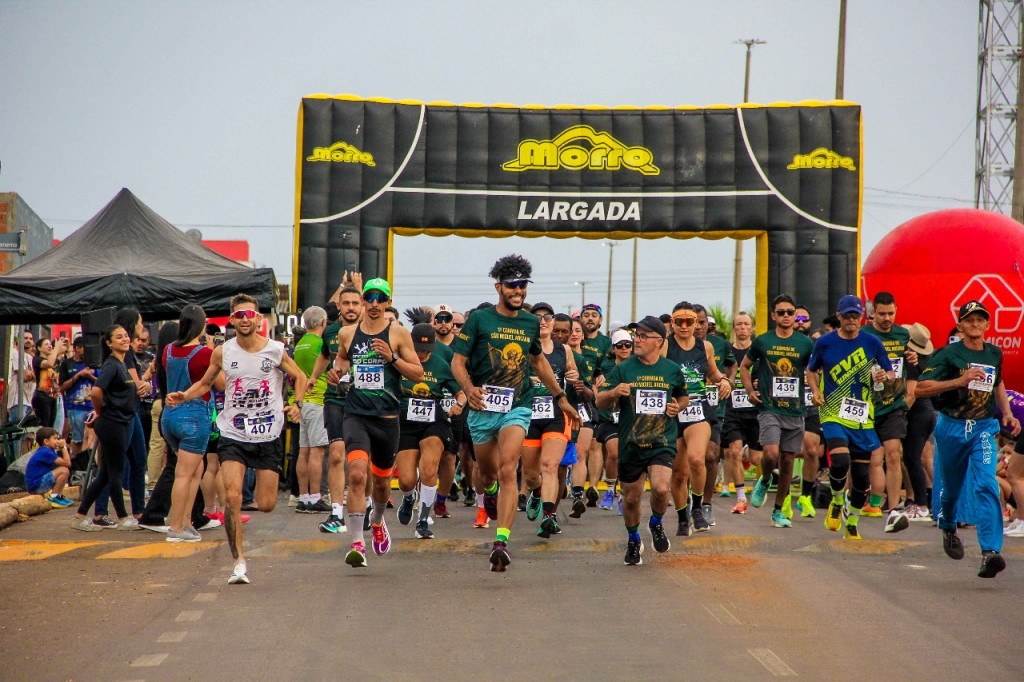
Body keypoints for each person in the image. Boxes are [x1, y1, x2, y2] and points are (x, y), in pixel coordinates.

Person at [166, 293, 307, 584]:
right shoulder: (222, 352)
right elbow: (206, 382)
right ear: (232, 320)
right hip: (233, 433)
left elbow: (301, 377)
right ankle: (238, 562)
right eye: (239, 315)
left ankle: (241, 554)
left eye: (249, 315)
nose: (244, 319)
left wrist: (297, 404)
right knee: (232, 498)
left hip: (267, 433)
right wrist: (185, 396)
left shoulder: (275, 350)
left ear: (258, 319)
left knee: (266, 503)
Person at [452, 255, 579, 572]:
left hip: (517, 405)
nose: (518, 290)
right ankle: (490, 491)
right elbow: (458, 362)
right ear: (499, 287)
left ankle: (501, 542)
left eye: (523, 285)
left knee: (509, 468)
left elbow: (538, 362)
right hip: (482, 407)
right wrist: (469, 389)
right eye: (512, 285)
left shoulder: (529, 323)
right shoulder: (479, 320)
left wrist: (561, 397)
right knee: (488, 474)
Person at [915, 300, 1021, 578]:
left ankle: (990, 551)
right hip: (951, 427)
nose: (975, 324)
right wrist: (958, 381)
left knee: (987, 483)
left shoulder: (994, 353)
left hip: (983, 428)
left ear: (988, 324)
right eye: (969, 320)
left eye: (980, 320)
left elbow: (997, 381)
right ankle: (948, 526)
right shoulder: (948, 354)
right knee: (951, 489)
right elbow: (921, 388)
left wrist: (1007, 413)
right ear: (960, 325)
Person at [331, 278, 422, 567]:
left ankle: (378, 520)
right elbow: (342, 360)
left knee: (382, 483)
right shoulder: (347, 333)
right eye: (368, 297)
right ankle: (357, 543)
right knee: (357, 475)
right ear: (362, 301)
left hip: (387, 419)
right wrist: (337, 372)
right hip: (356, 415)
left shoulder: (398, 334)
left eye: (379, 298)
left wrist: (392, 358)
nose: (373, 303)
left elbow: (417, 373)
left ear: (388, 302)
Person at [596, 316, 689, 566]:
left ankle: (656, 523)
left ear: (659, 341)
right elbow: (599, 400)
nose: (636, 340)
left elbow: (683, 397)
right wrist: (614, 392)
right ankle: (633, 539)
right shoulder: (623, 369)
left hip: (661, 440)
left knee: (660, 489)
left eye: (643, 336)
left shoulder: (671, 369)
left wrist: (677, 407)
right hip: (631, 443)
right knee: (631, 499)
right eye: (636, 335)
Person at [806, 295, 893, 540]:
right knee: (840, 460)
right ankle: (836, 500)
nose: (852, 320)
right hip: (832, 411)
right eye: (847, 316)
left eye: (856, 315)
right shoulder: (825, 342)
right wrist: (815, 390)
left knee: (862, 476)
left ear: (862, 317)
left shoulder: (872, 342)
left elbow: (890, 372)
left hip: (861, 415)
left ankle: (852, 521)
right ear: (839, 316)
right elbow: (811, 370)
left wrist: (884, 377)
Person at [739, 295, 815, 528]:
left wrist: (815, 390)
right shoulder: (763, 341)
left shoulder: (805, 343)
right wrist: (750, 391)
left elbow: (813, 370)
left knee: (788, 461)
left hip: (795, 409)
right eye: (781, 312)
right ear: (773, 315)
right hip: (769, 407)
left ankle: (778, 511)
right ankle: (765, 479)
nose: (786, 316)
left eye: (790, 312)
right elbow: (744, 366)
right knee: (771, 454)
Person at [395, 317, 465, 539]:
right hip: (405, 422)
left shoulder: (441, 364)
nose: (423, 354)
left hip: (434, 420)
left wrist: (459, 405)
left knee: (428, 468)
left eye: (427, 350)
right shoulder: (399, 362)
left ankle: (423, 520)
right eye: (418, 349)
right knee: (406, 480)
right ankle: (409, 497)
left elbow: (460, 392)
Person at [665, 302, 730, 535]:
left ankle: (698, 508)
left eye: (689, 321)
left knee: (696, 458)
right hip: (673, 411)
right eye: (679, 321)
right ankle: (683, 517)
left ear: (696, 323)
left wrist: (724, 381)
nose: (684, 326)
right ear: (672, 323)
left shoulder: (706, 347)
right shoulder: (665, 346)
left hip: (698, 409)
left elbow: (713, 373)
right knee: (679, 472)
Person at [70, 325, 141, 532]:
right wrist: (101, 412)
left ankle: (80, 516)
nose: (125, 339)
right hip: (111, 423)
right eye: (119, 337)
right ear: (109, 343)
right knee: (114, 473)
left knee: (105, 474)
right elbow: (96, 392)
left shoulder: (121, 364)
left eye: (126, 336)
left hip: (118, 422)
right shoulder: (111, 365)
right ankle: (123, 517)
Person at [519, 301, 579, 538]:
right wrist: (529, 380)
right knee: (531, 474)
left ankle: (548, 515)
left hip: (556, 414)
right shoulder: (523, 347)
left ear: (553, 322)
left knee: (550, 465)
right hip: (528, 413)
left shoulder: (564, 350)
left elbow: (572, 374)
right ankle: (536, 492)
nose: (543, 321)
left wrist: (573, 376)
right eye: (538, 317)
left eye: (547, 317)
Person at [160, 305, 220, 543]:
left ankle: (186, 522)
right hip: (194, 416)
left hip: (170, 416)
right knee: (185, 473)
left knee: (195, 470)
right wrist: (214, 353)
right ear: (201, 326)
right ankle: (175, 526)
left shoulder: (168, 350)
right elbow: (221, 383)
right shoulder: (205, 354)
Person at [309, 282, 363, 533]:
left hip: (364, 402)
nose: (351, 308)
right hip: (335, 399)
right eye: (346, 303)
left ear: (362, 306)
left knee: (361, 461)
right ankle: (337, 513)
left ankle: (367, 505)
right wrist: (313, 377)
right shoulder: (330, 331)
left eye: (355, 303)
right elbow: (324, 355)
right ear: (339, 306)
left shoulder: (371, 331)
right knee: (337, 454)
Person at [859, 292, 914, 533]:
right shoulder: (863, 334)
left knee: (893, 453)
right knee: (868, 457)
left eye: (891, 313)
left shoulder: (902, 334)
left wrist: (911, 356)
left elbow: (909, 359)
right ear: (872, 313)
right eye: (882, 314)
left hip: (893, 404)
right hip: (867, 405)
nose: (887, 318)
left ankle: (893, 510)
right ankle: (854, 500)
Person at [292, 306, 331, 514]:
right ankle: (315, 497)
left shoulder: (299, 345)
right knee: (317, 451)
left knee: (304, 451)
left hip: (302, 401)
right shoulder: (321, 344)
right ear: (324, 323)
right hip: (318, 398)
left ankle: (304, 497)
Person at [722, 312, 762, 515]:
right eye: (739, 324)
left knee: (756, 459)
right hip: (733, 410)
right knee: (734, 452)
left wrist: (759, 383)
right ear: (733, 328)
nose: (743, 328)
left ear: (752, 328)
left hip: (755, 410)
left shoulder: (758, 352)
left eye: (746, 324)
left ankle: (748, 452)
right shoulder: (728, 353)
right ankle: (740, 498)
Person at [58, 337, 97, 461]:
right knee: (78, 439)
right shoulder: (67, 364)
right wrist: (78, 375)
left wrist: (89, 376)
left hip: (93, 407)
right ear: (77, 348)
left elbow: (101, 382)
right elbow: (61, 387)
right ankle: (76, 462)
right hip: (75, 407)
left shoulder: (94, 363)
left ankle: (88, 463)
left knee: (92, 438)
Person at [24, 427, 73, 507]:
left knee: (63, 471)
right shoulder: (45, 451)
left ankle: (57, 496)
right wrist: (63, 447)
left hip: (36, 485)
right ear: (46, 441)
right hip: (36, 485)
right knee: (64, 470)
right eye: (55, 439)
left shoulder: (46, 450)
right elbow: (67, 463)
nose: (57, 441)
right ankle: (54, 497)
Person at [31, 336, 68, 428]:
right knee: (44, 425)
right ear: (39, 348)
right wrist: (56, 347)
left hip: (53, 396)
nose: (50, 346)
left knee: (51, 426)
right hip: (42, 396)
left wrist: (65, 348)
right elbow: (49, 363)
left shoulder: (57, 361)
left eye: (50, 344)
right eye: (46, 344)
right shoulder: (37, 360)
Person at [7, 330, 36, 423]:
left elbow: (37, 377)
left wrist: (31, 374)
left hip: (29, 400)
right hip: (17, 400)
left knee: (25, 430)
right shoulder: (14, 353)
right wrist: (32, 374)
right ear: (18, 340)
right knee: (17, 428)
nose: (28, 341)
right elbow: (25, 376)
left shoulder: (29, 357)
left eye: (30, 339)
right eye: (25, 338)